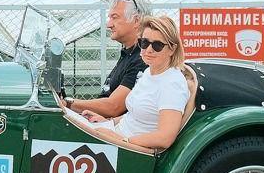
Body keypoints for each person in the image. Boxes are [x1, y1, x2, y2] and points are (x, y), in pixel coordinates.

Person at [79, 14, 192, 153]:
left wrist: (122, 140)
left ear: (172, 49)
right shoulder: (149, 72)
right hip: (117, 134)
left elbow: (165, 138)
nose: (149, 50)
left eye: (157, 45)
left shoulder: (172, 84)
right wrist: (107, 122)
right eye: (144, 43)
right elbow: (134, 115)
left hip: (129, 149)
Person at [63, 0, 147, 119]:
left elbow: (113, 107)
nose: (108, 24)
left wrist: (67, 103)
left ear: (136, 21)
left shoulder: (142, 58)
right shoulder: (128, 54)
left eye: (115, 17)